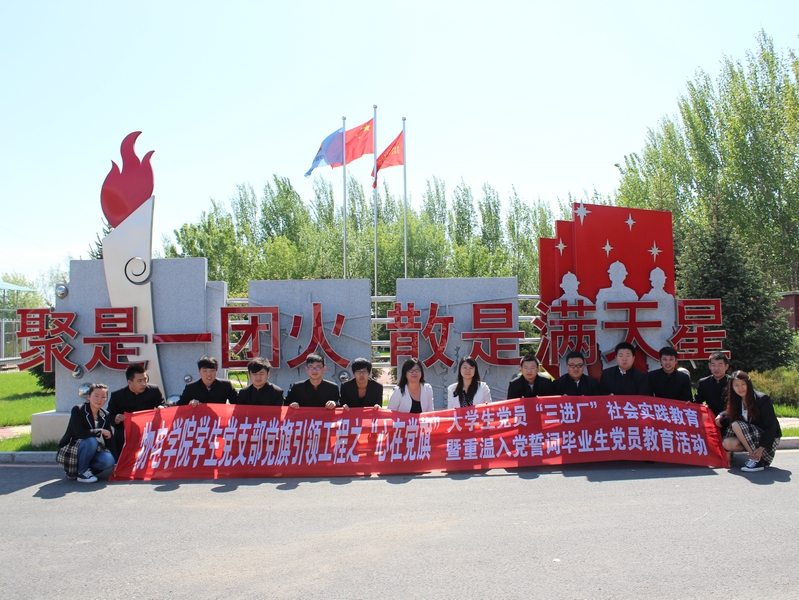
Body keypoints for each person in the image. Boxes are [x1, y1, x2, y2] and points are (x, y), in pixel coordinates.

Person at [716, 370, 781, 471]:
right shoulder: (737, 401)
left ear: (748, 384)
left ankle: (756, 459)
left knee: (736, 425)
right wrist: (721, 414)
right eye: (736, 385)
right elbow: (731, 413)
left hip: (768, 441)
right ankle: (754, 456)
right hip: (752, 439)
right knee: (727, 443)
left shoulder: (762, 399)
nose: (740, 388)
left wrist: (760, 449)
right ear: (732, 387)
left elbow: (771, 426)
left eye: (743, 384)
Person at [56, 383, 116, 483]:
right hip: (72, 450)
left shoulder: (105, 415)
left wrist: (116, 463)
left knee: (109, 460)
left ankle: (85, 470)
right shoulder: (78, 410)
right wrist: (100, 431)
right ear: (89, 397)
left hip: (89, 450)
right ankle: (82, 473)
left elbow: (109, 439)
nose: (99, 400)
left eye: (103, 397)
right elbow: (80, 433)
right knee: (91, 440)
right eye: (96, 396)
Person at [107, 363, 165, 460]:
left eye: (145, 379)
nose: (143, 384)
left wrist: (162, 407)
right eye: (139, 381)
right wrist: (115, 419)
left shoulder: (153, 390)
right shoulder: (117, 396)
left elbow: (163, 404)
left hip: (149, 430)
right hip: (126, 433)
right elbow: (109, 415)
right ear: (130, 382)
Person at [693, 352, 731, 417]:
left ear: (726, 366)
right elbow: (697, 402)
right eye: (713, 365)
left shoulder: (732, 382)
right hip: (710, 417)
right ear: (709, 366)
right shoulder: (704, 383)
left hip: (730, 417)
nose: (716, 368)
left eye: (719, 365)